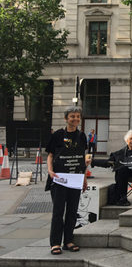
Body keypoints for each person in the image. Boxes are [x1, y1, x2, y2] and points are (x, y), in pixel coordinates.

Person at [45, 106, 90, 255]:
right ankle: (55, 243)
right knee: (58, 211)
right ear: (66, 118)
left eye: (78, 116)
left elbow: (82, 160)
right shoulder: (58, 135)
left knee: (72, 211)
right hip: (59, 179)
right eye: (72, 116)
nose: (75, 119)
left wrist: (84, 178)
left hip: (76, 179)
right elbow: (50, 155)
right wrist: (50, 171)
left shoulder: (82, 136)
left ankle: (68, 241)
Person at [93, 130, 132, 205]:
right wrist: (93, 162)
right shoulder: (120, 153)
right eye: (130, 139)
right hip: (126, 174)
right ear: (127, 140)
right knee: (121, 168)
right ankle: (123, 197)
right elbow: (108, 162)